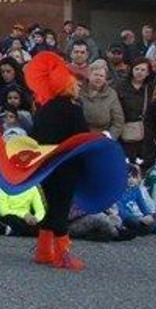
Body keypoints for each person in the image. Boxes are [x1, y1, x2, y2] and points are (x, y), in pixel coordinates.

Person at [27, 52, 91, 271]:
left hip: (46, 166)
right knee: (61, 209)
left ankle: (44, 252)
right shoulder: (74, 110)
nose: (79, 87)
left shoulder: (43, 110)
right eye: (76, 83)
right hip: (67, 166)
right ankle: (63, 255)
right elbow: (83, 139)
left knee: (49, 206)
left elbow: (34, 138)